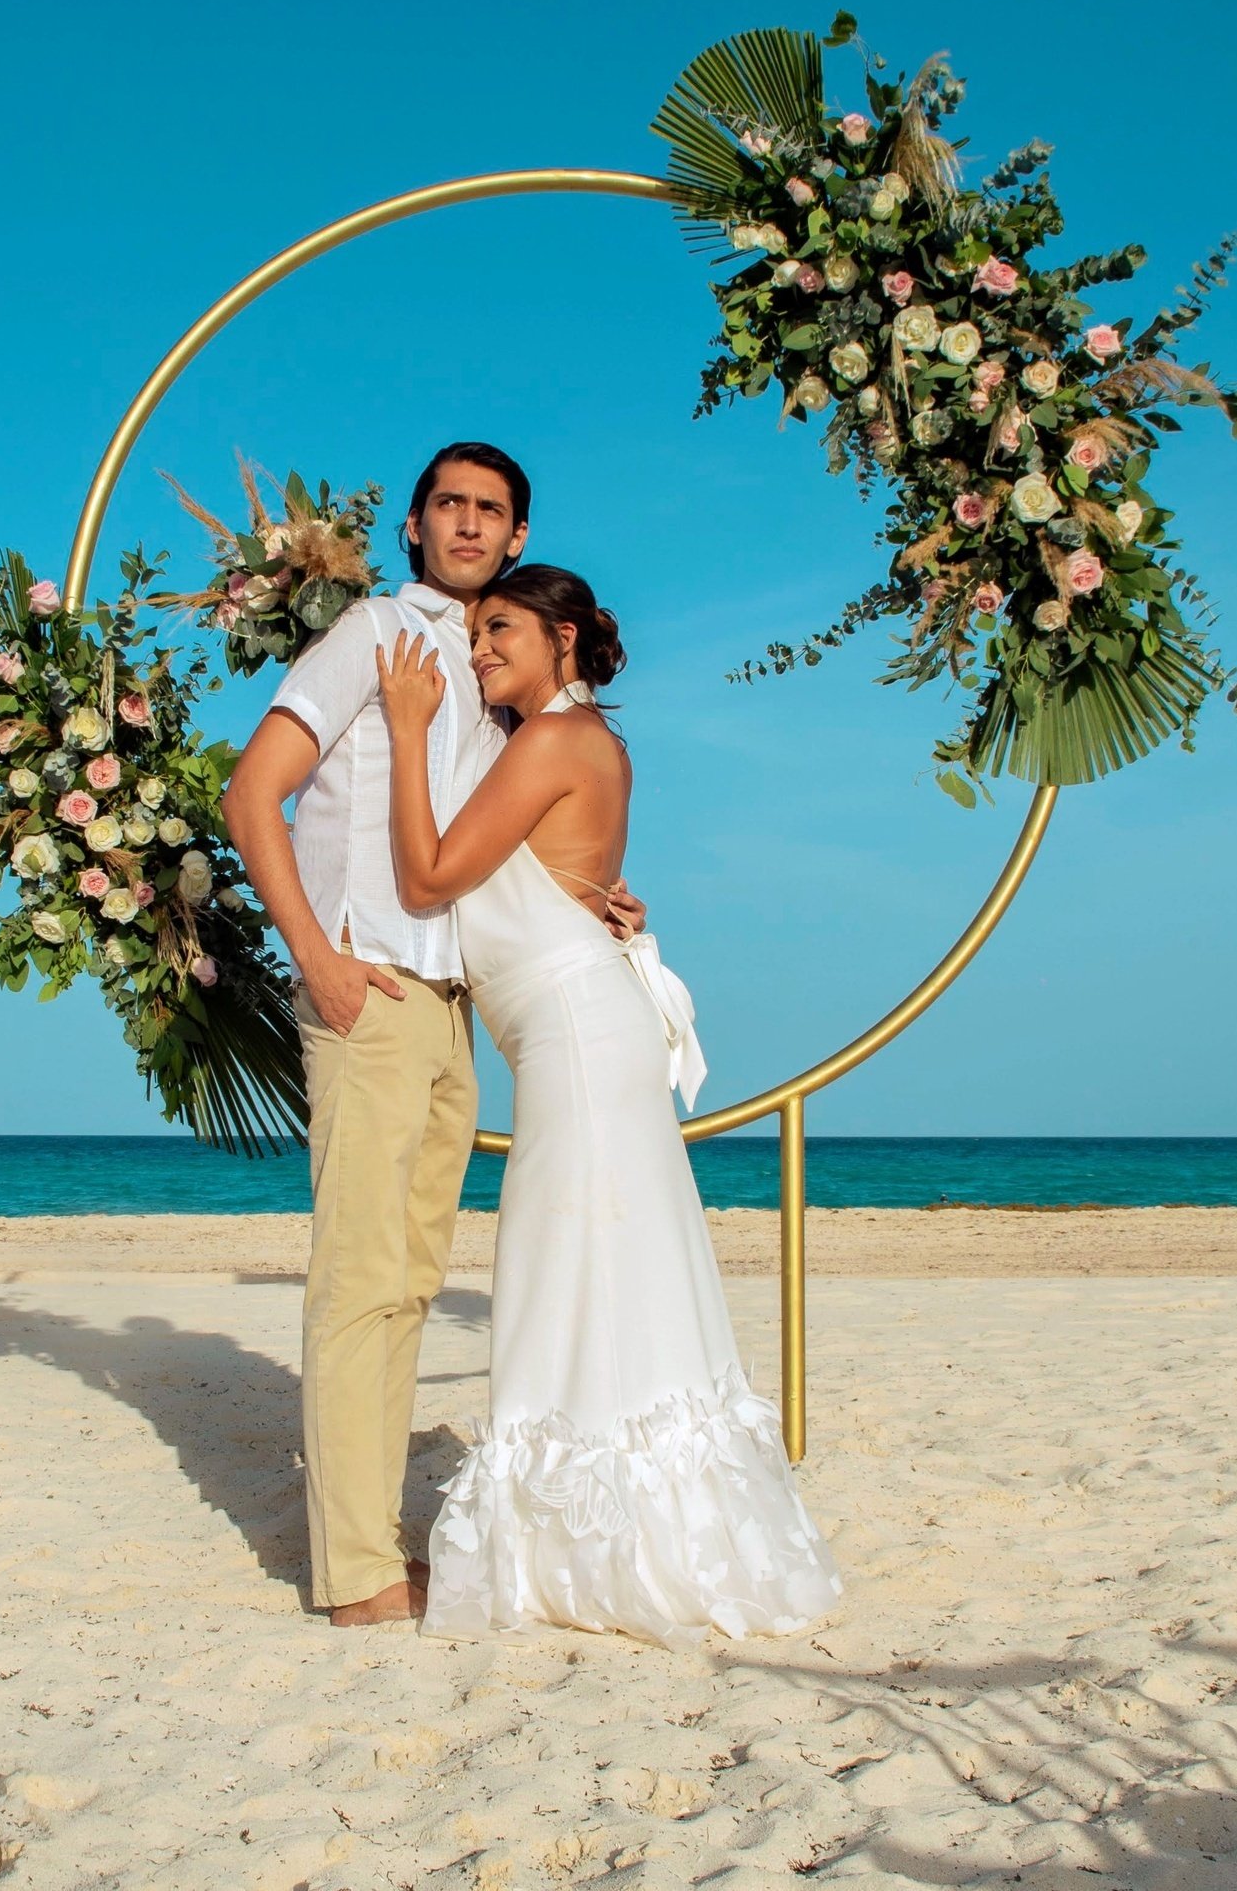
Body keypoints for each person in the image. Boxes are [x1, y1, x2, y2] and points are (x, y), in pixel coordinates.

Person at [375, 565, 841, 1646]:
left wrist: (407, 728)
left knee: (572, 1272)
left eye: (501, 628)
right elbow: (563, 879)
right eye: (477, 629)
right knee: (601, 1274)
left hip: (581, 1041)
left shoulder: (548, 740)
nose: (481, 647)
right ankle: (627, 1526)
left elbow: (432, 873)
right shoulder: (583, 741)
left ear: (564, 637)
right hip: (586, 1026)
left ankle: (599, 1538)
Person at [221, 443, 640, 1627]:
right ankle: (355, 1572)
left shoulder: (489, 666)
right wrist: (319, 959)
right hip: (374, 992)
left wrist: (595, 901)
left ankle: (375, 1543)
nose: (467, 522)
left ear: (516, 538)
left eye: (491, 509)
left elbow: (501, 849)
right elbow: (255, 793)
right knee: (363, 1278)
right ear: (414, 527)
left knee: (409, 1279)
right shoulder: (373, 635)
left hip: (452, 1005)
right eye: (448, 504)